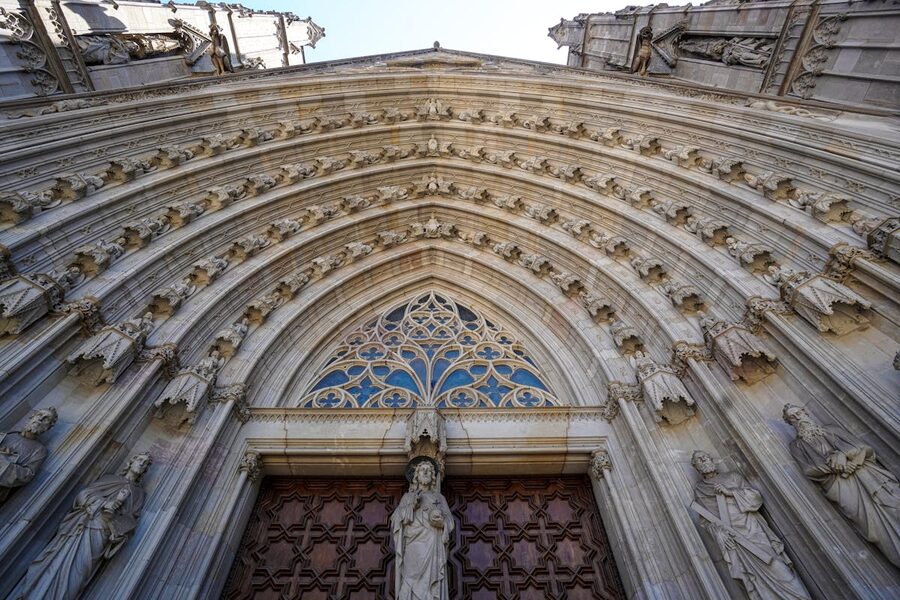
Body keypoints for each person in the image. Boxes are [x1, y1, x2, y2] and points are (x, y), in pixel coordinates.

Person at [21, 452, 151, 600]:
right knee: (58, 561)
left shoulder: (139, 494)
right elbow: (83, 495)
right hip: (82, 526)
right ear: (131, 462)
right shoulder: (110, 479)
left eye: (146, 464)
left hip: (102, 534)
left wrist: (117, 525)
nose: (142, 464)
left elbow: (131, 520)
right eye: (140, 460)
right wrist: (105, 504)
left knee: (78, 574)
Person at [784, 404, 899, 567]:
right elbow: (809, 470)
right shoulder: (796, 446)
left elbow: (863, 447)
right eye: (792, 418)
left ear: (805, 412)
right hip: (842, 487)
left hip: (868, 475)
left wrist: (843, 455)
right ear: (789, 423)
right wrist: (836, 465)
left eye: (798, 413)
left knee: (895, 505)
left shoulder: (832, 429)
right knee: (873, 528)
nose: (797, 418)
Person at [691, 450, 811, 600]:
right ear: (695, 466)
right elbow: (705, 521)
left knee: (778, 567)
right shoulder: (699, 490)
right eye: (699, 460)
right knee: (752, 579)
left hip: (752, 530)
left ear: (712, 459)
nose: (704, 460)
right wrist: (718, 532)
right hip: (734, 541)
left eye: (705, 457)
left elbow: (756, 498)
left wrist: (731, 492)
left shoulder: (732, 476)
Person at [390, 457, 454, 600]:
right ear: (416, 476)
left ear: (432, 476)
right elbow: (395, 520)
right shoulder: (408, 497)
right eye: (422, 470)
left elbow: (449, 521)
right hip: (413, 546)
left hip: (433, 546)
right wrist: (411, 507)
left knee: (431, 584)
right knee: (409, 579)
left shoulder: (439, 498)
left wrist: (442, 523)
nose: (425, 472)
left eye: (429, 471)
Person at [0, 407, 57, 503]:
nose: (40, 420)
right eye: (39, 415)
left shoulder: (40, 450)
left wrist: (4, 460)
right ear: (32, 417)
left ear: (48, 427)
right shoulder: (8, 434)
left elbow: (27, 475)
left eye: (46, 419)